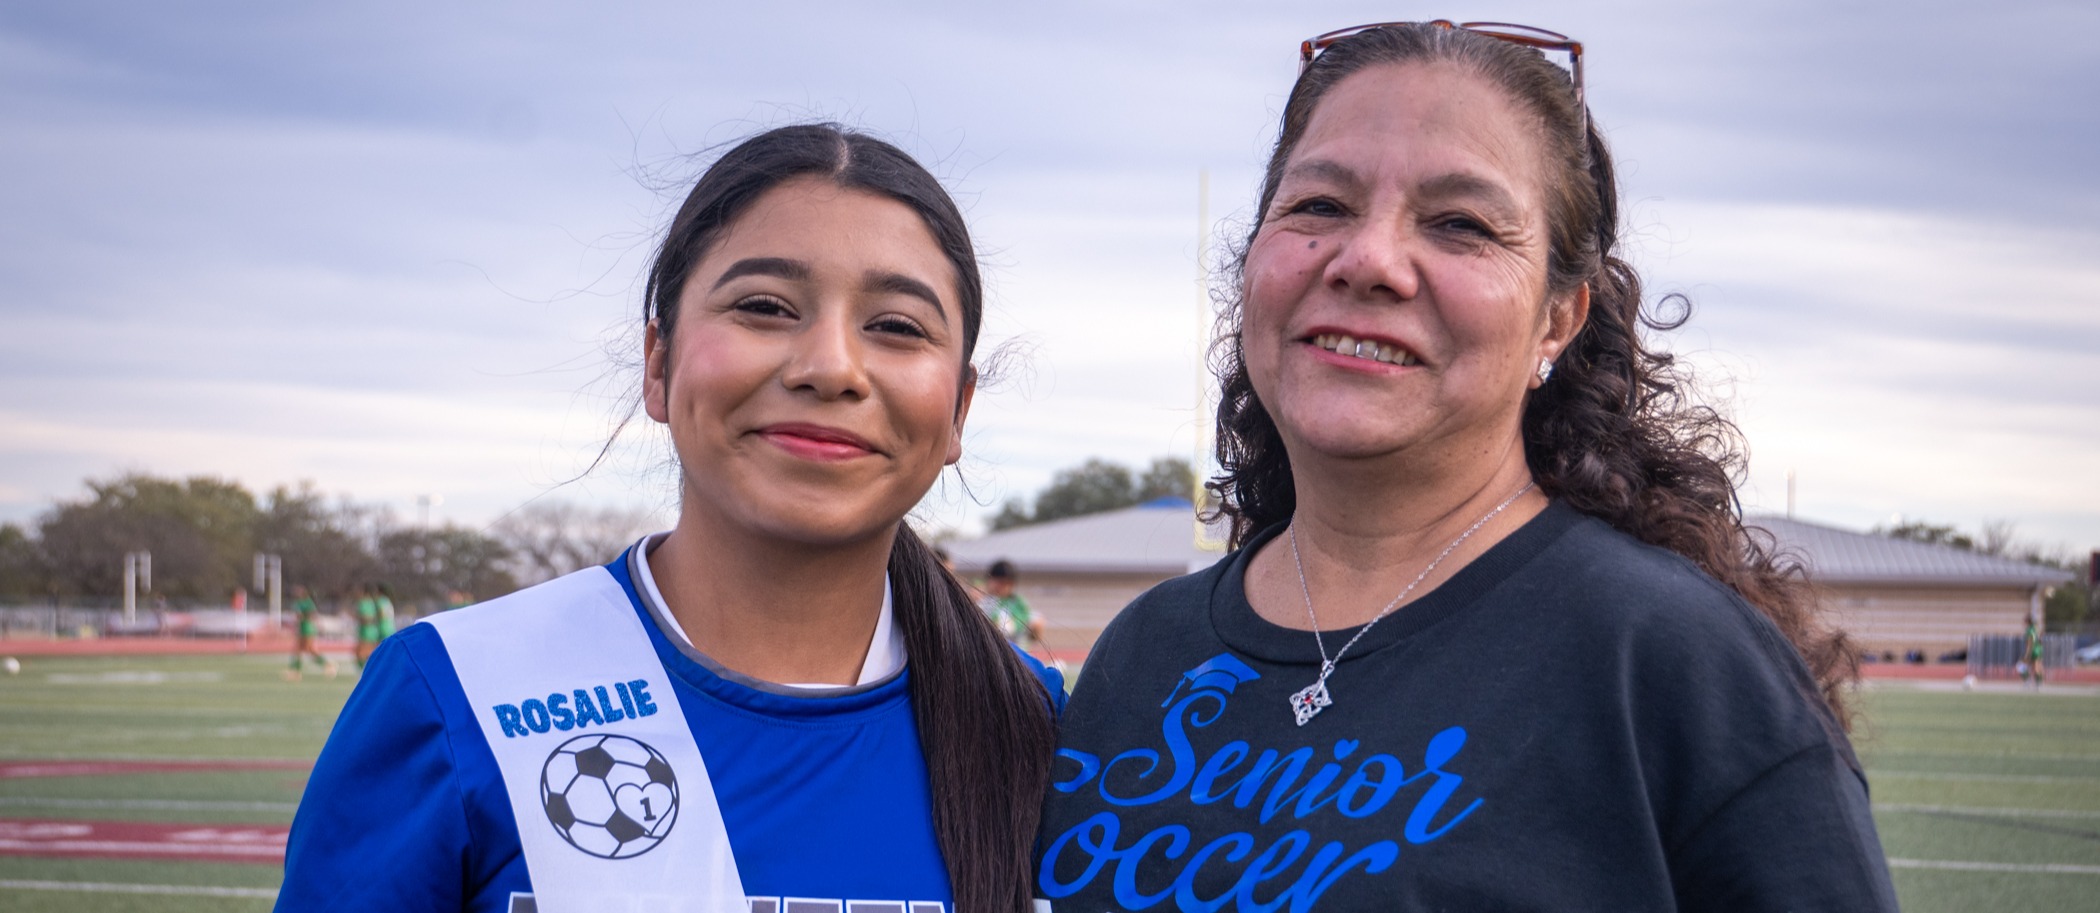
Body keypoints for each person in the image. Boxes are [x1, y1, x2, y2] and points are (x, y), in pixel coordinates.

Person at [1037, 22, 1898, 911]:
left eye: (1461, 224)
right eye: (1320, 206)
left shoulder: (1677, 664)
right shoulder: (1144, 653)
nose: (1369, 260)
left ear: (1558, 320)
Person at [279, 123, 1062, 913]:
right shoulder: (455, 692)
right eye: (765, 307)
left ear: (958, 410)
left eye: (896, 326)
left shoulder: (1042, 729)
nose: (831, 367)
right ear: (658, 363)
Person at [980, 558, 1045, 648]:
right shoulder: (983, 602)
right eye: (998, 582)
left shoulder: (1017, 602)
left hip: (1016, 649)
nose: (1000, 586)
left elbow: (1023, 622)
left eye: (1005, 583)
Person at [282, 585, 335, 681]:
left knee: (307, 650)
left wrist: (303, 616)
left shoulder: (307, 603)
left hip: (308, 629)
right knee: (298, 651)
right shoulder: (297, 603)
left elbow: (311, 614)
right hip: (302, 629)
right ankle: (296, 671)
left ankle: (327, 664)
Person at [350, 584, 380, 668]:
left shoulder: (363, 603)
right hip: (373, 631)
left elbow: (365, 618)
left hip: (366, 631)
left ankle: (366, 672)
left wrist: (357, 617)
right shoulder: (373, 603)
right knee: (366, 653)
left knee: (361, 654)